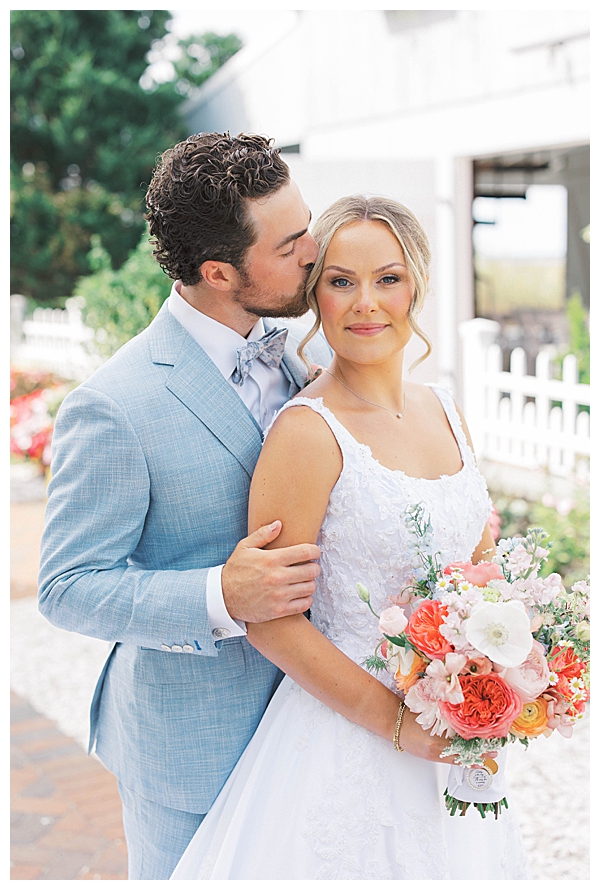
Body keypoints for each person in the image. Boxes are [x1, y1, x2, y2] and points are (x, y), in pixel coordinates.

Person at [170, 195, 530, 880]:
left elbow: (482, 577)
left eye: (387, 278)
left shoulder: (447, 410)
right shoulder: (306, 432)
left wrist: (505, 667)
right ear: (316, 296)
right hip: (347, 745)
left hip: (454, 731)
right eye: (341, 281)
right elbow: (273, 622)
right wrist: (399, 726)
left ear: (416, 285)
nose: (366, 302)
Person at [38, 132, 333, 880]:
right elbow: (67, 587)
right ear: (219, 272)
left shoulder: (303, 357)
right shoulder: (113, 405)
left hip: (321, 732)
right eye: (292, 242)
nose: (314, 251)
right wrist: (219, 595)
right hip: (194, 753)